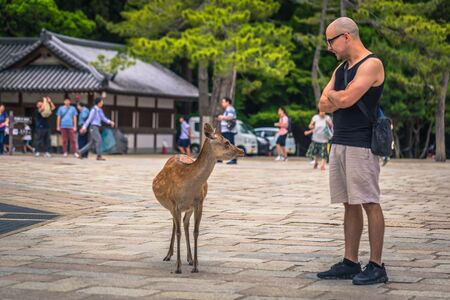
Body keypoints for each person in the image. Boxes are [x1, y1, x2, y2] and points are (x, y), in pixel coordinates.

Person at [317, 17, 388, 285]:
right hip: (339, 141)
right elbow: (322, 104)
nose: (329, 47)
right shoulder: (341, 68)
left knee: (369, 201)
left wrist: (337, 96)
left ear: (346, 37)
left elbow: (343, 98)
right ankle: (350, 261)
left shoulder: (372, 64)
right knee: (349, 203)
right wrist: (338, 97)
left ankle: (377, 265)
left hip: (362, 144)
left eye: (331, 41)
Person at [217, 97, 238, 165]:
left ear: (228, 102)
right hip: (226, 130)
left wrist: (221, 117)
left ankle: (234, 159)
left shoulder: (230, 109)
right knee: (224, 144)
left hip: (229, 130)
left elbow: (230, 117)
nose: (222, 103)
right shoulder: (227, 109)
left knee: (230, 144)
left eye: (223, 102)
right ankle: (221, 158)